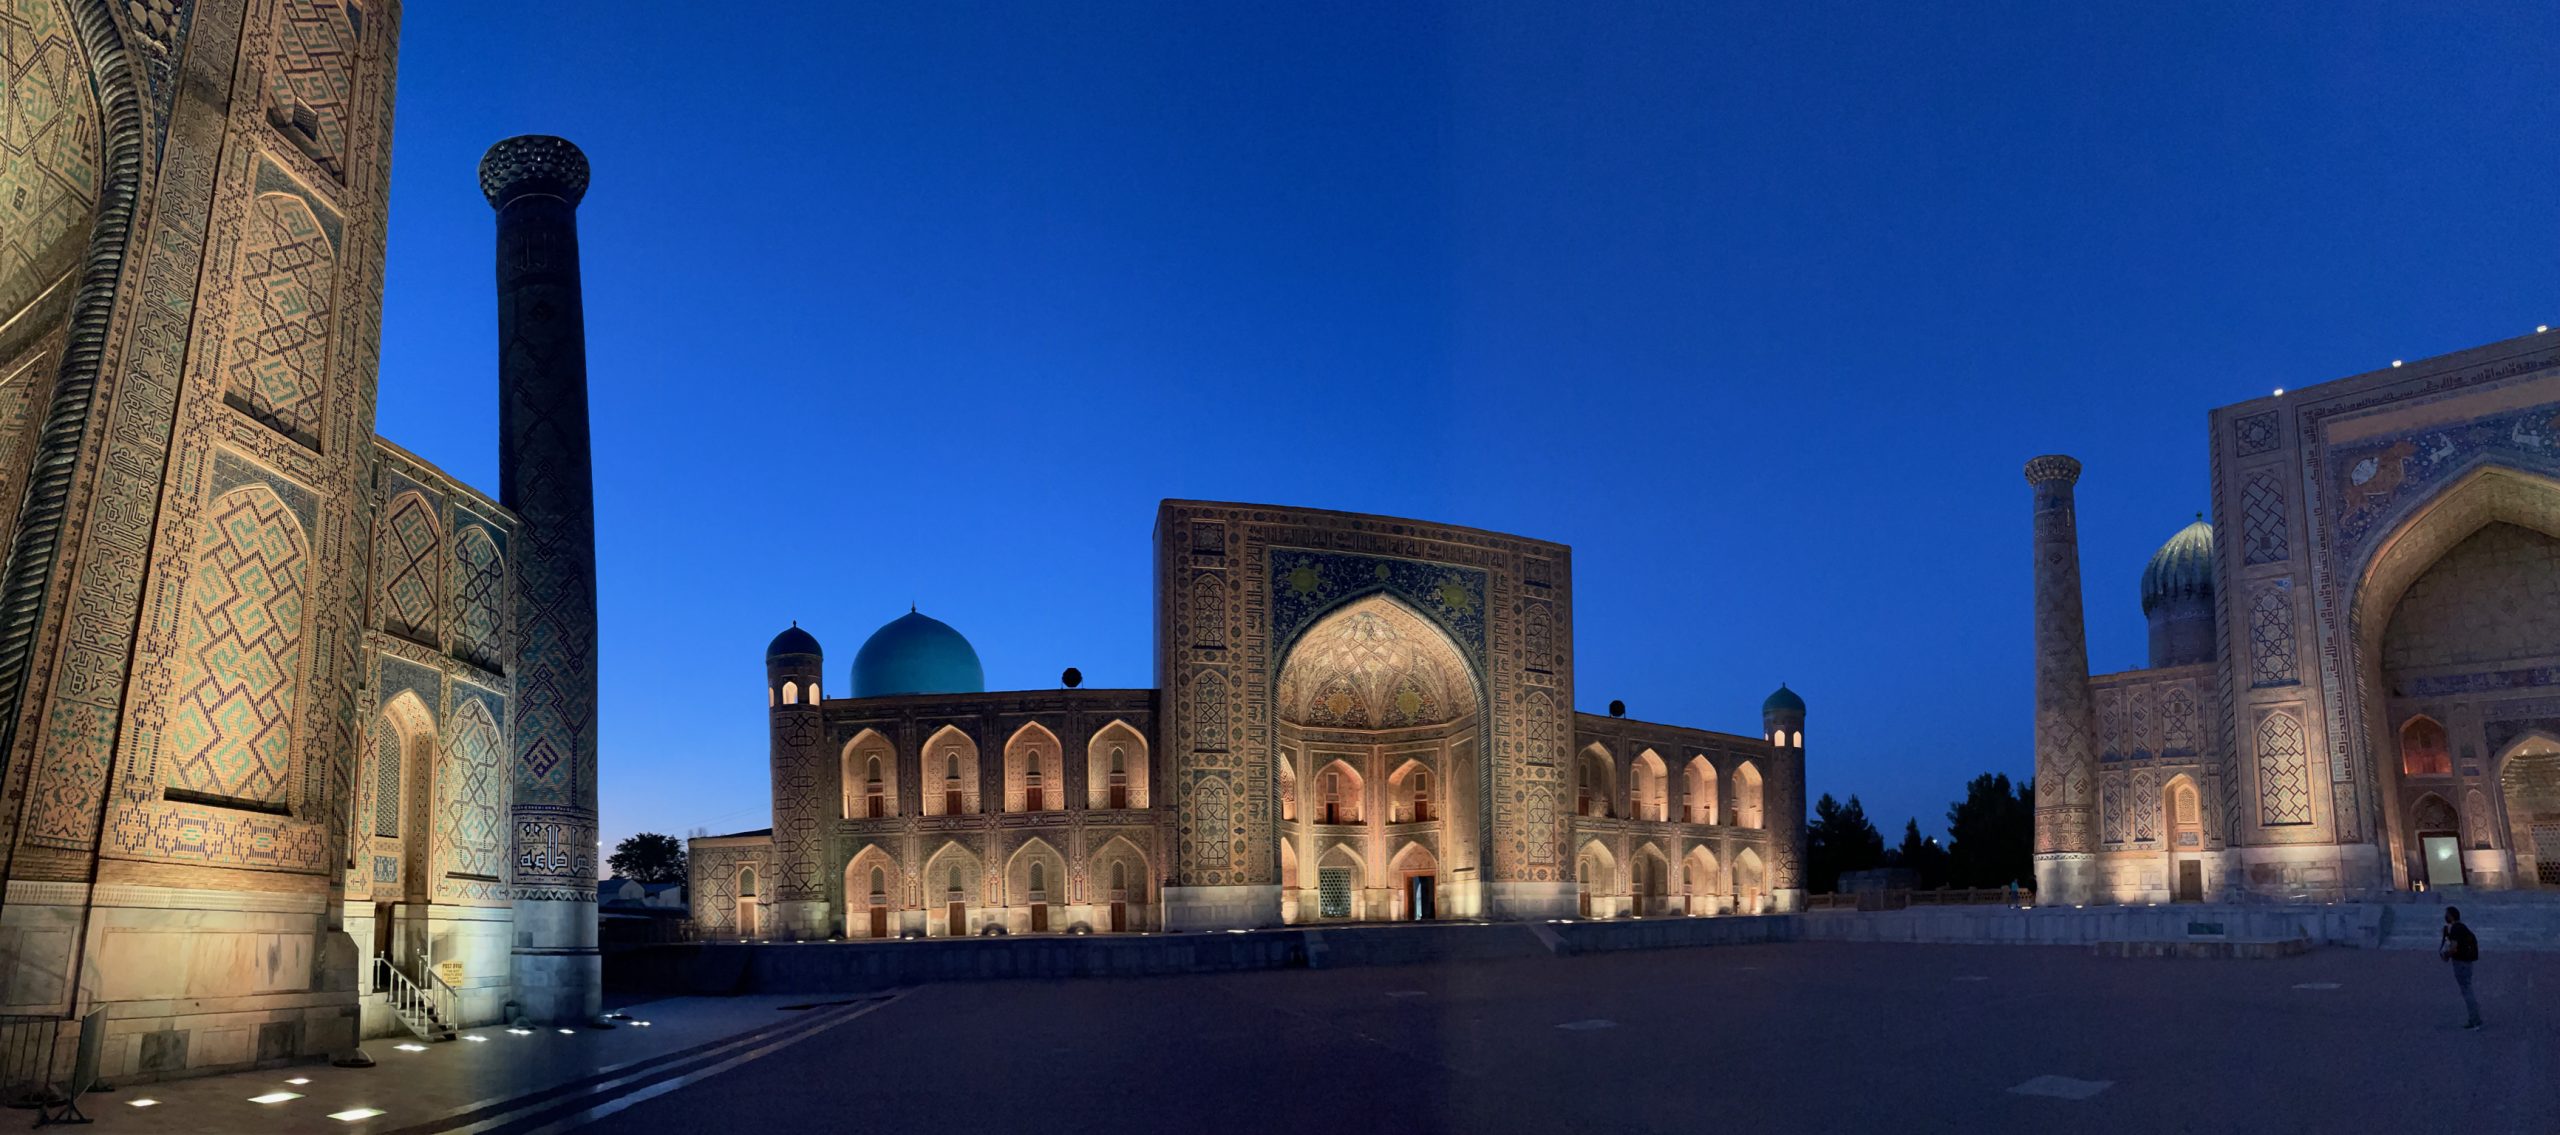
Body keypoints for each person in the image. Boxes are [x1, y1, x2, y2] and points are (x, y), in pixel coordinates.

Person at [2440, 906, 2482, 1030]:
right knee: (2467, 989)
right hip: (2466, 962)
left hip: (2461, 963)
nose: (2445, 916)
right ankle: (2474, 1017)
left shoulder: (2456, 929)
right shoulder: (2461, 927)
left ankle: (2475, 1019)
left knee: (2467, 990)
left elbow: (2454, 947)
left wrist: (2446, 955)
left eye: (2447, 914)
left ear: (2451, 915)